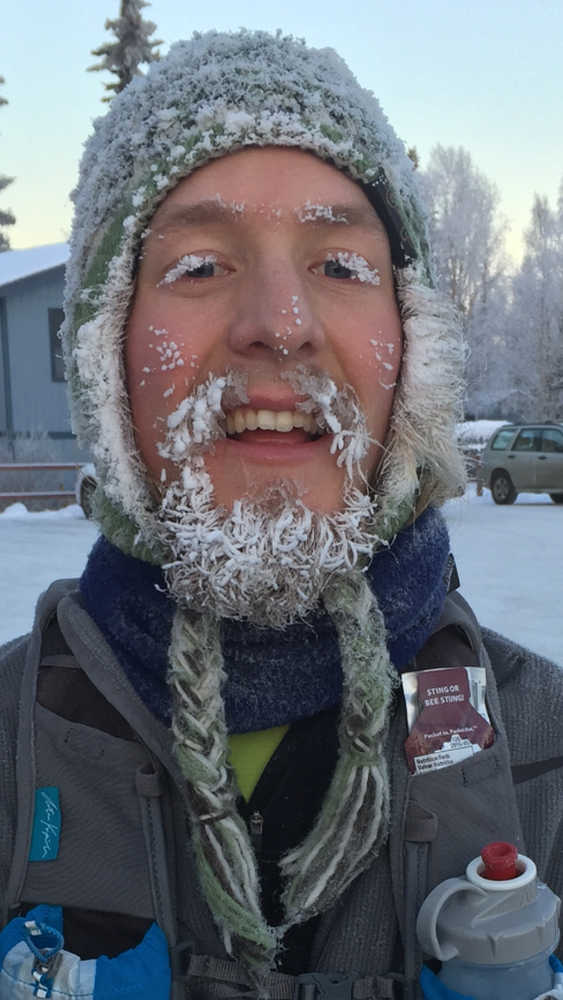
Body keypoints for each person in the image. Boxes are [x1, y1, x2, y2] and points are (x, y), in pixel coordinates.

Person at [0, 29, 562, 1000]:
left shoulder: (548, 749)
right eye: (199, 267)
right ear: (106, 351)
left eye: (339, 265)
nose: (279, 318)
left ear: (411, 348)